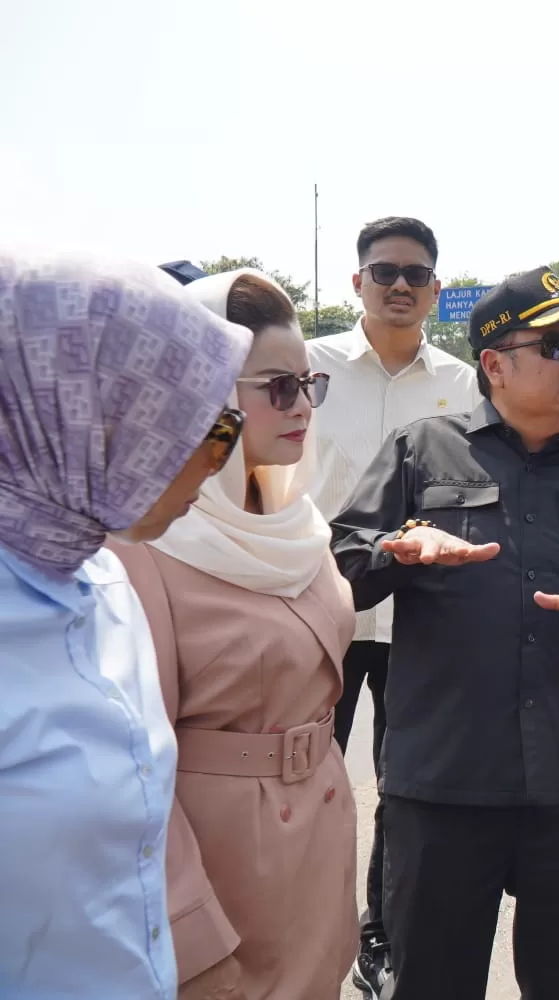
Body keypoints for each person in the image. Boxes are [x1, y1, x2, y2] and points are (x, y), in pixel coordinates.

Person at [329, 265, 559, 1000]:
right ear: (494, 364)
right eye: (558, 346)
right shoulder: (420, 452)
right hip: (447, 781)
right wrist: (396, 549)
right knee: (433, 981)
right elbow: (340, 562)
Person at [0, 251, 251, 999]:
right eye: (202, 426)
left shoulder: (103, 577)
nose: (218, 460)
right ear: (78, 419)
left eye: (228, 425)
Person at [108, 269, 357, 1000]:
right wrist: (193, 940)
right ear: (200, 395)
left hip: (315, 849)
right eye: (277, 387)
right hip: (224, 880)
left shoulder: (296, 523)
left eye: (309, 383)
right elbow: (133, 777)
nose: (303, 405)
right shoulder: (144, 542)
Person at [304, 216, 479, 997]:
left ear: (437, 290)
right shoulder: (309, 370)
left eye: (416, 275)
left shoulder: (468, 385)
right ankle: (308, 925)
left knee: (405, 787)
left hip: (422, 616)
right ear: (357, 283)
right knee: (305, 780)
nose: (400, 286)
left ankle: (378, 933)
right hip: (320, 609)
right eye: (385, 273)